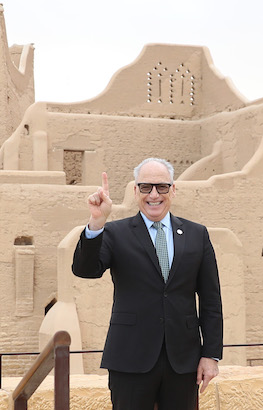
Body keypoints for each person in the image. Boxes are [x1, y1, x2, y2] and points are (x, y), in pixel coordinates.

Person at [72, 157, 223, 409]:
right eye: (145, 187)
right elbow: (85, 270)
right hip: (130, 358)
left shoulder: (198, 235)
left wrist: (210, 354)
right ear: (135, 191)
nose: (154, 194)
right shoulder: (115, 233)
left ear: (173, 190)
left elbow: (211, 300)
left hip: (183, 362)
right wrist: (97, 222)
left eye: (162, 187)